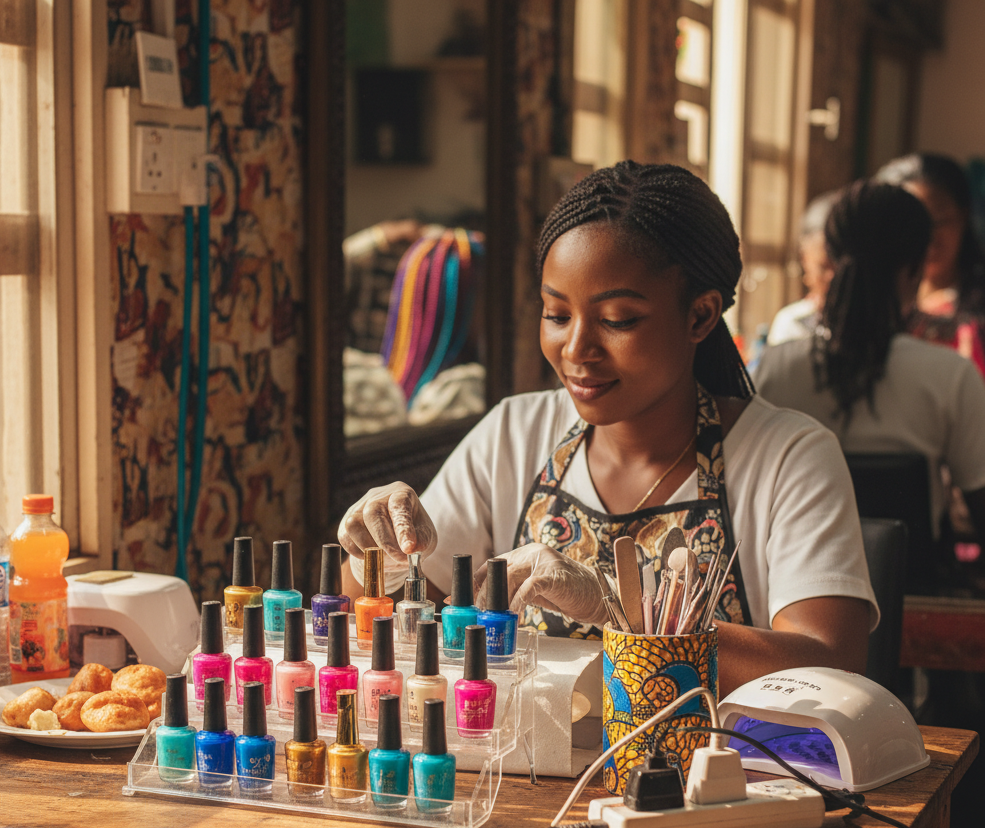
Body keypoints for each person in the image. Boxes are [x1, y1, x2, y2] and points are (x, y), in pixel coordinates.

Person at [337, 161, 876, 694]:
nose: (576, 350)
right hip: (529, 774)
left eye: (617, 320)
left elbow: (833, 666)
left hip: (718, 775)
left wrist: (612, 603)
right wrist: (377, 550)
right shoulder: (516, 434)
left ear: (701, 317)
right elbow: (393, 601)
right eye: (557, 314)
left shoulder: (787, 456)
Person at [754, 180, 985, 543]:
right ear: (915, 266)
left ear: (830, 256)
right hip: (909, 590)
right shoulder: (950, 376)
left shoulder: (776, 368)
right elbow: (979, 503)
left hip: (791, 588)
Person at [876, 152, 985, 376]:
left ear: (963, 218)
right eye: (914, 226)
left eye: (940, 222)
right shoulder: (875, 303)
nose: (928, 238)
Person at [766, 189, 841, 347]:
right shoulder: (793, 324)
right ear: (805, 260)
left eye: (840, 267)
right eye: (824, 267)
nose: (833, 276)